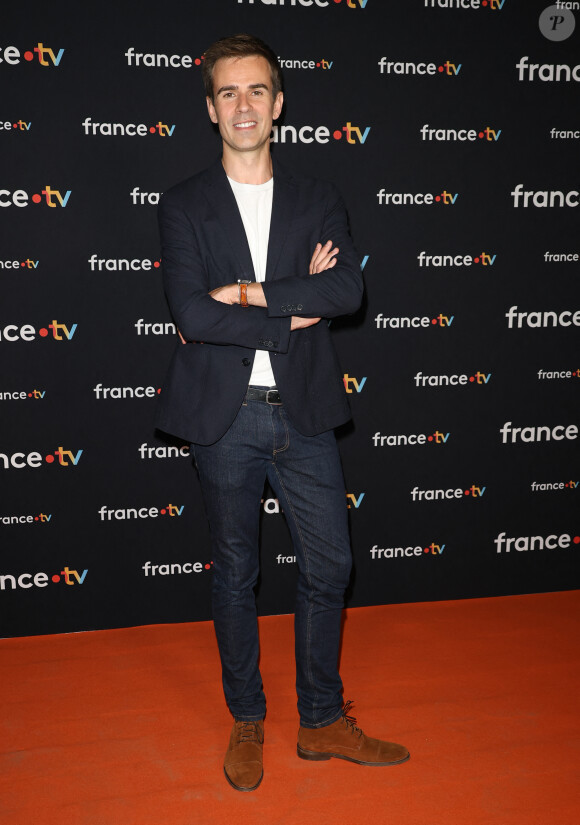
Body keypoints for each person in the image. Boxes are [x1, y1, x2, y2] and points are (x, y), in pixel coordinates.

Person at [156, 33, 409, 792]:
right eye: (228, 92)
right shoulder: (184, 204)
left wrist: (246, 294)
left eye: (257, 90)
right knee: (236, 571)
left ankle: (322, 718)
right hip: (223, 417)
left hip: (302, 411)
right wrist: (287, 307)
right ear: (210, 108)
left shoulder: (317, 197)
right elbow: (188, 312)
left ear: (279, 103)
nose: (244, 105)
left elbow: (344, 294)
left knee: (330, 564)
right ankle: (247, 715)